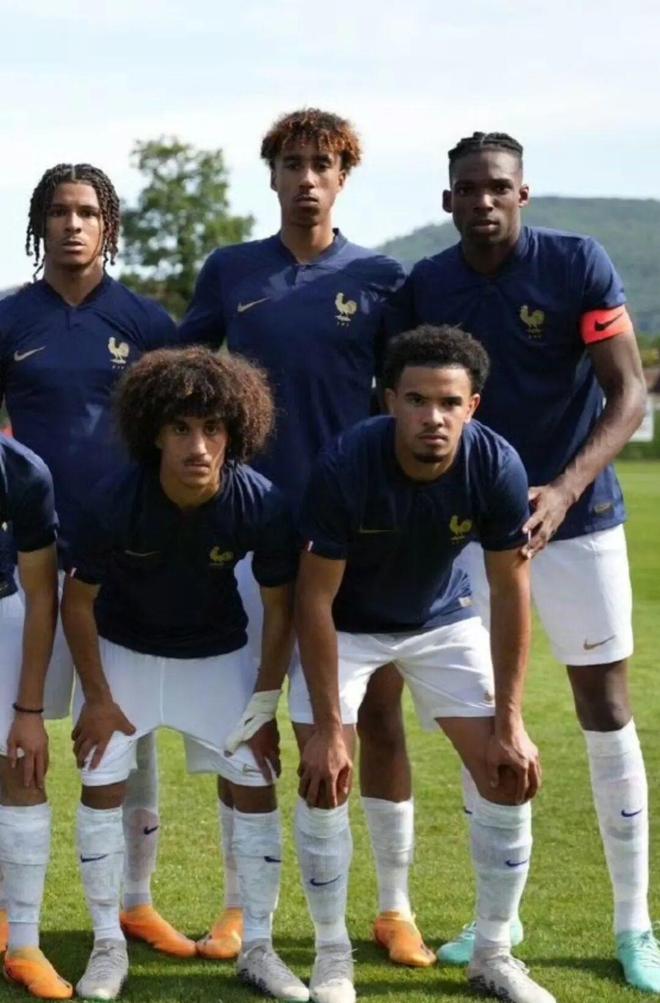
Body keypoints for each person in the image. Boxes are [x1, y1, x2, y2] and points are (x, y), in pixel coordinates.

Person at [387, 132, 656, 993]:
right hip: (473, 531)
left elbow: (629, 392)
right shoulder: (429, 285)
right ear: (448, 201)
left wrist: (565, 490)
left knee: (604, 708)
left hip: (579, 520)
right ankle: (495, 918)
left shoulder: (577, 263)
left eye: (498, 187)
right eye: (468, 189)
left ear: (523, 193)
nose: (483, 201)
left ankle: (634, 922)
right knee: (481, 718)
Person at [180, 108, 433, 967]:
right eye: (293, 164)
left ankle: (393, 907)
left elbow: (409, 394)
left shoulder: (381, 278)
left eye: (323, 164)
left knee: (377, 716)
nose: (307, 178)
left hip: (357, 530)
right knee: (248, 719)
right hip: (250, 526)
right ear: (273, 176)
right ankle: (240, 906)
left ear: (343, 177)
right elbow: (184, 376)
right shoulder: (232, 270)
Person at [291, 325, 554, 1003]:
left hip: (440, 620)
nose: (432, 417)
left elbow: (510, 591)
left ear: (473, 406)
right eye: (416, 400)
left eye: (448, 402)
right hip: (347, 626)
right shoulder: (345, 464)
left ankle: (493, 954)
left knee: (507, 771)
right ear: (390, 401)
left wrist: (512, 721)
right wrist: (328, 728)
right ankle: (331, 955)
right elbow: (313, 600)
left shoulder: (496, 464)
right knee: (324, 776)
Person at [61, 346, 307, 1001]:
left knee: (256, 782)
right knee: (100, 782)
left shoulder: (261, 502)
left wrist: (264, 703)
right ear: (155, 434)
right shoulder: (114, 500)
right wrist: (99, 699)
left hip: (218, 657)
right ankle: (107, 945)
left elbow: (281, 608)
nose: (198, 446)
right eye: (180, 428)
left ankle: (259, 946)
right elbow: (76, 604)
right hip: (125, 653)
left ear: (234, 433)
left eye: (212, 429)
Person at [0, 164, 193, 959]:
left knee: (128, 731)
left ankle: (136, 901)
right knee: (15, 730)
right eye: (59, 211)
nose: (73, 224)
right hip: (25, 558)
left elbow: (181, 435)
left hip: (124, 560)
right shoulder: (10, 317)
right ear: (39, 224)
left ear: (108, 225)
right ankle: (11, 909)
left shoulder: (146, 322)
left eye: (87, 211)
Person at [0, 433, 72, 998]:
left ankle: (23, 942)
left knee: (20, 769)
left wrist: (29, 709)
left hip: (2, 611)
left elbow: (42, 594)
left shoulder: (22, 472)